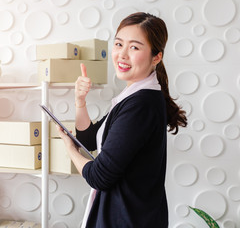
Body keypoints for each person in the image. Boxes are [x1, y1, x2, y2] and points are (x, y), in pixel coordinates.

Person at [57, 12, 188, 228]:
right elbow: (89, 140)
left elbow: (99, 177)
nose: (122, 55)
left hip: (130, 219)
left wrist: (69, 149)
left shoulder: (141, 105)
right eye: (119, 44)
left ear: (156, 57)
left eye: (134, 47)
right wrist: (80, 101)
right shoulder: (132, 97)